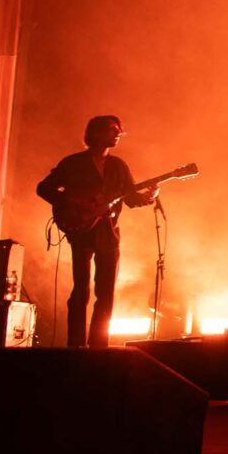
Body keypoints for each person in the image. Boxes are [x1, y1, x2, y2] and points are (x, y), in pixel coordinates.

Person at [36, 115, 158, 349]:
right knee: (80, 290)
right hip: (81, 231)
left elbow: (131, 198)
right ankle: (75, 344)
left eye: (119, 130)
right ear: (96, 133)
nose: (118, 134)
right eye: (113, 129)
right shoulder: (73, 163)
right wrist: (73, 201)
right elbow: (44, 188)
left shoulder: (118, 166)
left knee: (106, 293)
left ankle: (98, 346)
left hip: (108, 234)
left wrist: (149, 197)